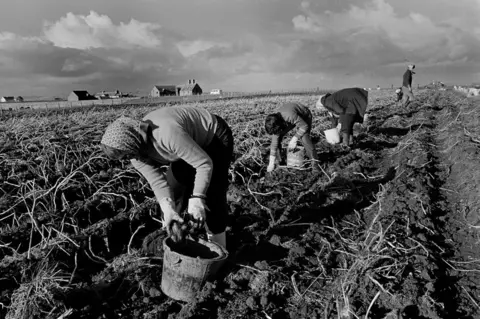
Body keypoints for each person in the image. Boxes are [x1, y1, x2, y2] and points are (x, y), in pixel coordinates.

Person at [100, 106, 234, 249]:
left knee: (213, 194)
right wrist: (168, 209)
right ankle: (180, 237)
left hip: (213, 137)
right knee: (174, 190)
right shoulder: (135, 154)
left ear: (131, 141)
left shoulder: (165, 133)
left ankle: (218, 249)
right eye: (124, 157)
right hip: (184, 145)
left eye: (126, 155)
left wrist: (198, 197)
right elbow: (158, 182)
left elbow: (203, 163)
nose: (128, 159)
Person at [264, 103, 319, 173]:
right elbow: (274, 144)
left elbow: (304, 126)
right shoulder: (275, 123)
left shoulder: (289, 115)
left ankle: (315, 165)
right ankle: (280, 162)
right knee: (277, 139)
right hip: (289, 120)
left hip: (304, 115)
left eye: (277, 131)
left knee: (304, 138)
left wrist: (294, 139)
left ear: (279, 125)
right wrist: (271, 163)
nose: (276, 133)